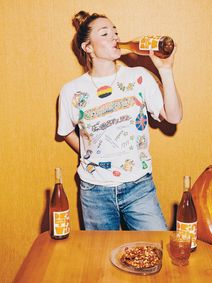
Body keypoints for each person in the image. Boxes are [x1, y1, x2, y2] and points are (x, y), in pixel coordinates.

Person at [57, 11, 183, 230]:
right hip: (95, 192)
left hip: (139, 186)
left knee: (156, 252)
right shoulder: (72, 91)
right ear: (88, 47)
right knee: (100, 260)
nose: (115, 37)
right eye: (105, 33)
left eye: (115, 32)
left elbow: (174, 117)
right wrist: (89, 152)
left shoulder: (138, 77)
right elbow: (66, 131)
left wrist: (166, 70)